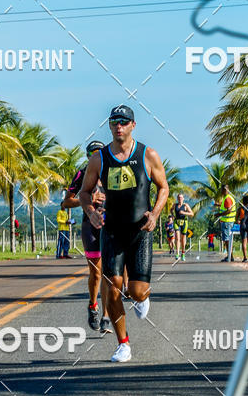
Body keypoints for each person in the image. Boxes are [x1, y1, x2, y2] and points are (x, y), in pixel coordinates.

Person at [80, 104, 169, 363]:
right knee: (113, 286)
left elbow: (163, 187)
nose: (119, 126)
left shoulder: (147, 154)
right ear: (109, 126)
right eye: (114, 121)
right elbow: (84, 193)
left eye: (124, 121)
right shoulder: (100, 159)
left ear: (133, 125)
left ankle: (143, 297)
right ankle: (123, 344)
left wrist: (155, 214)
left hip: (139, 231)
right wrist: (90, 212)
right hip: (112, 231)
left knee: (137, 290)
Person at [62, 140, 111, 333]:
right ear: (88, 155)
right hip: (89, 226)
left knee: (108, 273)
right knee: (96, 273)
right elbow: (66, 202)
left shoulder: (112, 171)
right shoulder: (82, 174)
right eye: (92, 153)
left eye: (99, 152)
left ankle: (107, 316)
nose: (95, 155)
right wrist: (89, 200)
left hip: (110, 226)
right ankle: (93, 306)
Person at [216, 184, 237, 262]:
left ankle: (230, 256)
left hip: (227, 222)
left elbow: (229, 210)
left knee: (227, 240)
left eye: (222, 190)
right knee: (227, 239)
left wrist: (219, 214)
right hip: (228, 222)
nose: (221, 192)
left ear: (225, 190)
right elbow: (226, 206)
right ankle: (230, 256)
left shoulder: (227, 198)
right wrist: (218, 205)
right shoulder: (229, 197)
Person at [171, 193, 194, 261]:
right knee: (177, 238)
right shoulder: (175, 205)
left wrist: (184, 213)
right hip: (176, 222)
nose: (180, 199)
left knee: (183, 239)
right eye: (178, 197)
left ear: (183, 198)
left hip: (184, 222)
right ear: (177, 199)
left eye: (181, 197)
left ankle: (183, 253)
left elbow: (192, 214)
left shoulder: (185, 205)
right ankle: (177, 253)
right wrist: (172, 215)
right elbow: (171, 210)